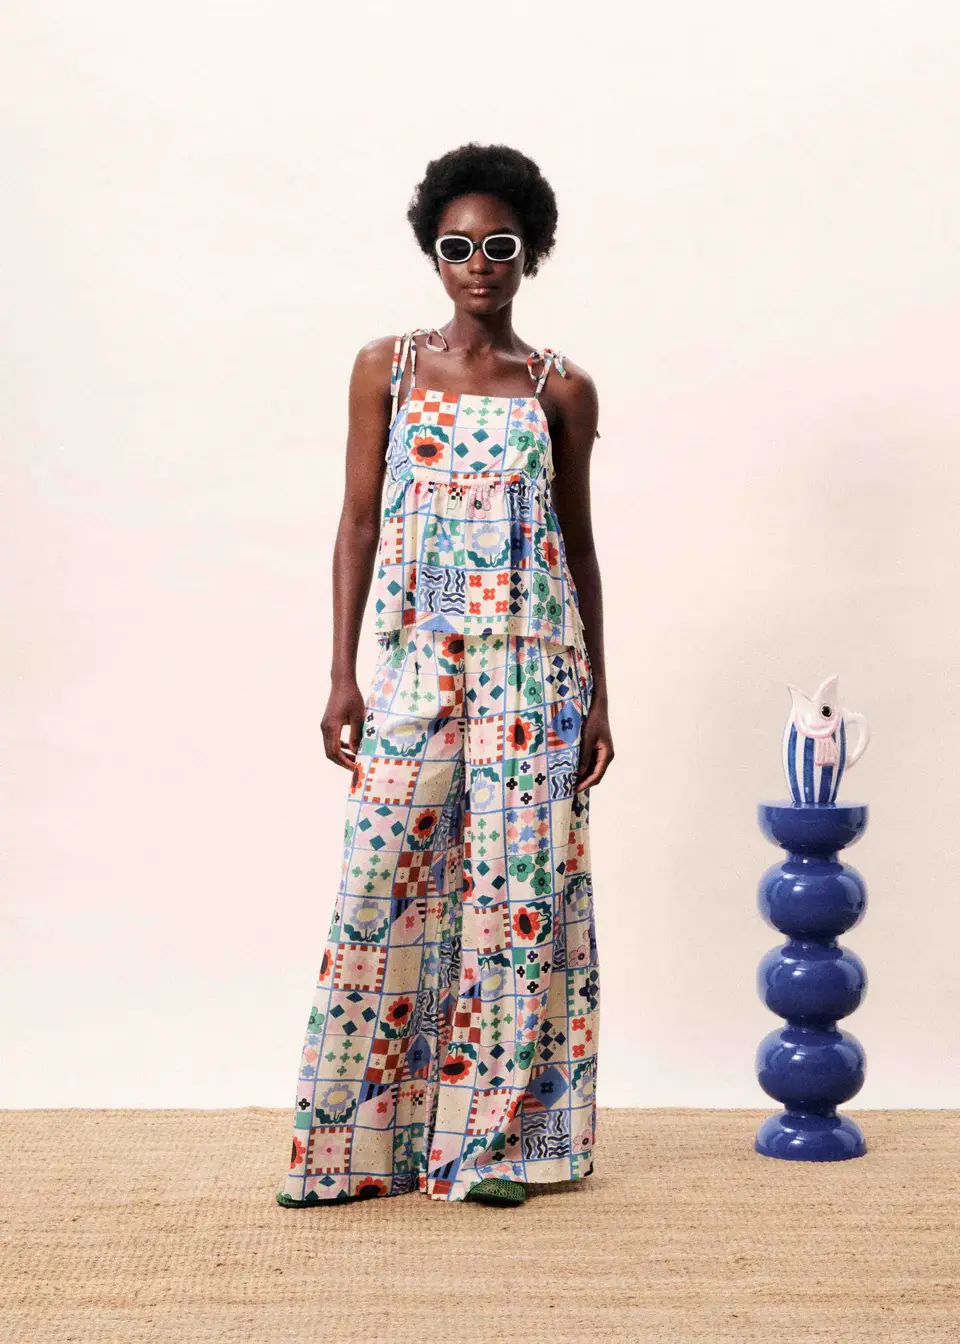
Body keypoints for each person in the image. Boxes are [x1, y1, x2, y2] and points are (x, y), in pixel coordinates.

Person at [276, 142, 613, 1209]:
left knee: (518, 904)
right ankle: (350, 1152)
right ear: (433, 252)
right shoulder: (388, 367)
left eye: (499, 246)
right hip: (420, 662)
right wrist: (342, 674)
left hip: (532, 674)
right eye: (458, 246)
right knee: (380, 887)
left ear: (530, 254)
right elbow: (358, 525)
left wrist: (600, 696)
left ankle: (496, 1149)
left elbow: (579, 547)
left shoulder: (560, 389)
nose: (478, 265)